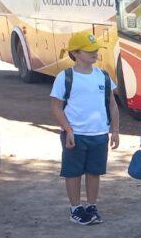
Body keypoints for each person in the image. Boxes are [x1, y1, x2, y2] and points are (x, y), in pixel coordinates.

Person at [49, 31, 120, 226]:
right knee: (72, 172)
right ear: (76, 53)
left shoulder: (103, 76)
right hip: (76, 135)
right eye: (89, 50)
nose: (95, 53)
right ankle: (75, 209)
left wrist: (115, 130)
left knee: (94, 171)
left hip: (99, 134)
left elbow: (112, 104)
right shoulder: (65, 77)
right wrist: (67, 129)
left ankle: (91, 206)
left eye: (96, 49)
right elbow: (56, 106)